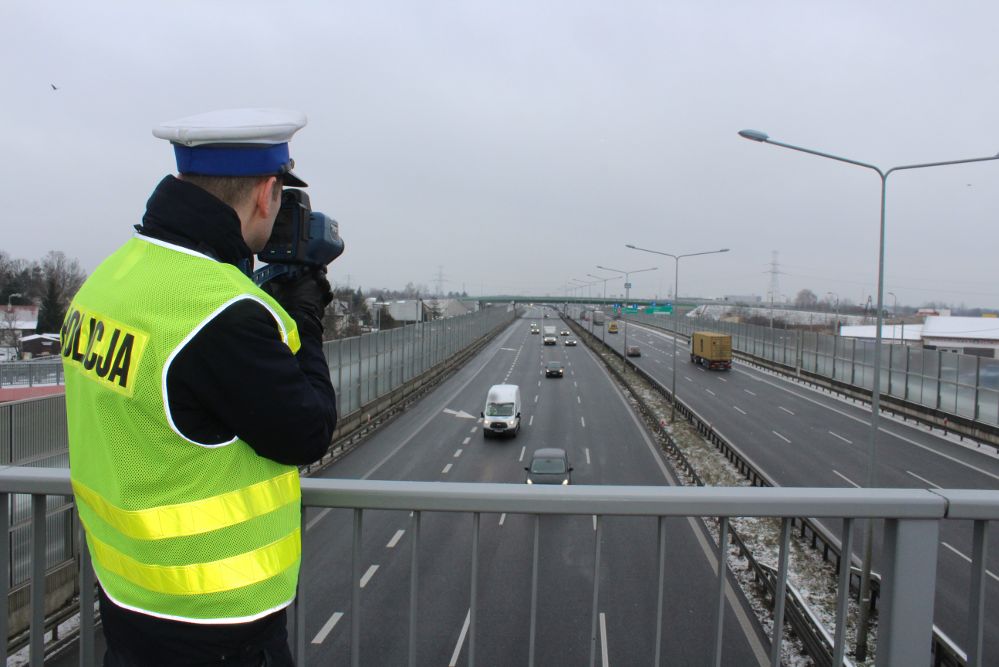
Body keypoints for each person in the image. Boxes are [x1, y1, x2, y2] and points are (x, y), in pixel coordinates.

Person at [60, 108, 338, 666]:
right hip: (215, 623)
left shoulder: (110, 279)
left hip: (125, 596)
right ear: (266, 193)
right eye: (282, 196)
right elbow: (305, 431)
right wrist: (304, 316)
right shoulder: (220, 311)